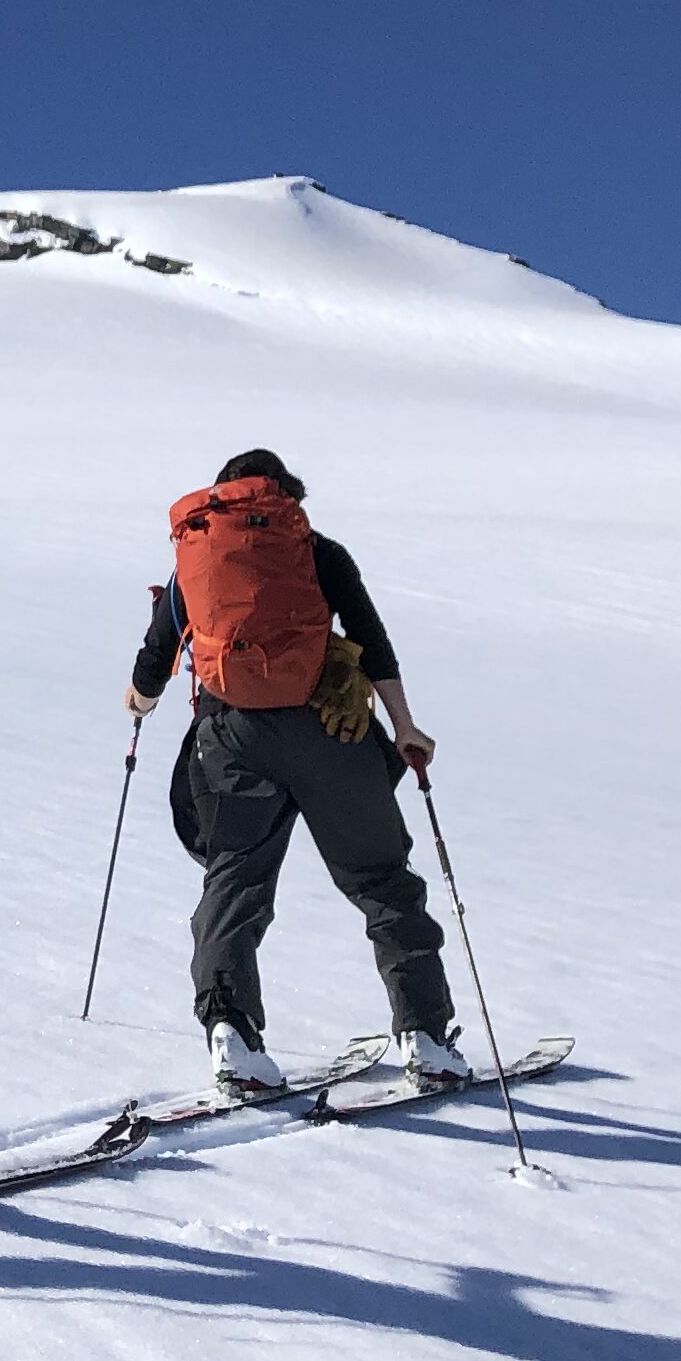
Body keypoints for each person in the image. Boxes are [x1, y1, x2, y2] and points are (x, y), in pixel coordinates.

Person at [129, 449, 461, 1093]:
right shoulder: (319, 552)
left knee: (235, 881)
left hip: (230, 737)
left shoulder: (196, 559)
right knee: (381, 879)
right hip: (330, 732)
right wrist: (404, 727)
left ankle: (231, 1034)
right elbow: (373, 637)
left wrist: (141, 702)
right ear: (289, 499)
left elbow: (156, 655)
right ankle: (425, 1035)